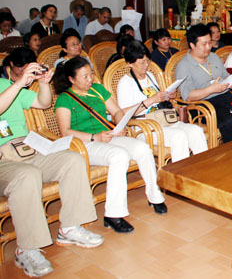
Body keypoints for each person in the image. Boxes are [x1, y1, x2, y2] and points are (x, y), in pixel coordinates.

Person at [0, 57, 104, 278]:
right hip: (3, 160)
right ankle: (26, 249)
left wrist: (45, 83)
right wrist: (19, 83)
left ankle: (69, 228)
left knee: (72, 160)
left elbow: (43, 103)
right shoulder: (12, 86)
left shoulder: (7, 85)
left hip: (26, 148)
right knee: (27, 176)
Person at [54, 57, 167, 234]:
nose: (90, 79)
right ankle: (113, 214)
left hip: (107, 135)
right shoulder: (64, 100)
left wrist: (119, 124)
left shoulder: (97, 90)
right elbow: (65, 132)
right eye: (84, 76)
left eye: (90, 74)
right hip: (83, 144)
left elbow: (116, 111)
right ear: (71, 79)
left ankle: (155, 196)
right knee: (119, 156)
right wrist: (95, 137)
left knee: (142, 148)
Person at [117, 41, 208, 161]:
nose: (146, 65)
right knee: (178, 136)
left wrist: (167, 96)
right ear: (130, 63)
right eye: (141, 62)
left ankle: (204, 167)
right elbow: (123, 113)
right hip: (144, 126)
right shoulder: (125, 83)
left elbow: (157, 99)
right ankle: (180, 175)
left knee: (195, 131)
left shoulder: (150, 75)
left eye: (147, 61)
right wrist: (150, 100)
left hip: (163, 119)